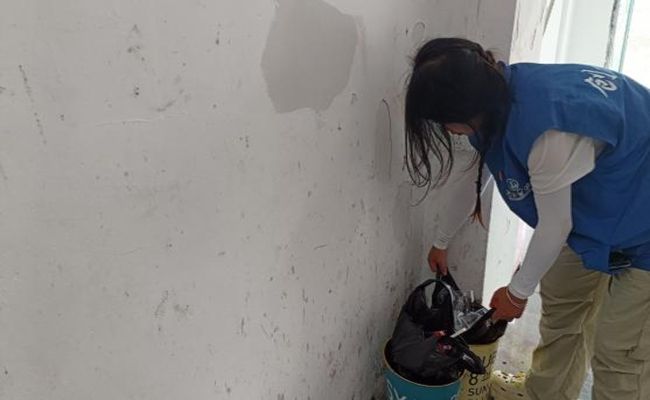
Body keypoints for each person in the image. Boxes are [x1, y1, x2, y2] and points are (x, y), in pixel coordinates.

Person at [404, 37, 650, 400]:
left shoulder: (547, 128)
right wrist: (441, 240)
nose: (446, 130)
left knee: (620, 353)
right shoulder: (494, 101)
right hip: (598, 212)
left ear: (463, 108)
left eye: (444, 122)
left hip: (641, 221)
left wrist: (517, 293)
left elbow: (556, 225)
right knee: (563, 311)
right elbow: (477, 175)